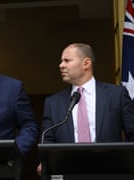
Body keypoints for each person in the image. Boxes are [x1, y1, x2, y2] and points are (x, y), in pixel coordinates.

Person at [37, 43, 134, 174]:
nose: (61, 65)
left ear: (86, 63)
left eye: (67, 60)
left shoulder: (116, 95)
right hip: (68, 170)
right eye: (61, 61)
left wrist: (127, 164)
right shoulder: (53, 102)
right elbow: (47, 140)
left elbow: (132, 133)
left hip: (110, 170)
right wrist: (45, 163)